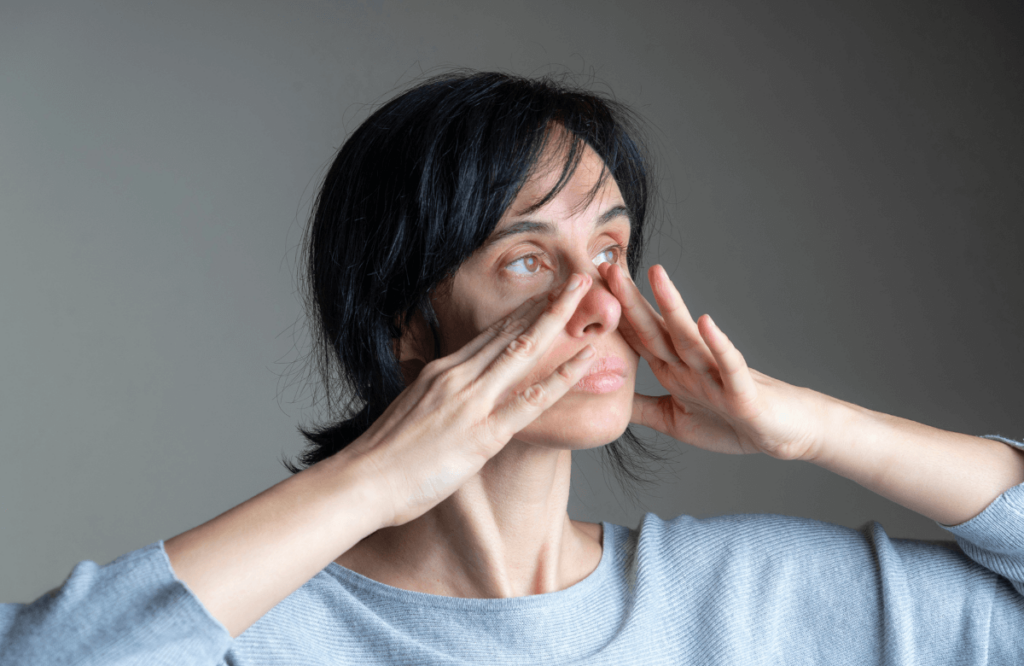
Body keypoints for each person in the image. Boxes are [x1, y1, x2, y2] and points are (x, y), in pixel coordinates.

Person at [1, 70, 1022, 665]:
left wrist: (812, 430)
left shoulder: (763, 602)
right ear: (407, 318)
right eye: (530, 260)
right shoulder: (262, 632)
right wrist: (367, 483)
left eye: (611, 254)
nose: (594, 303)